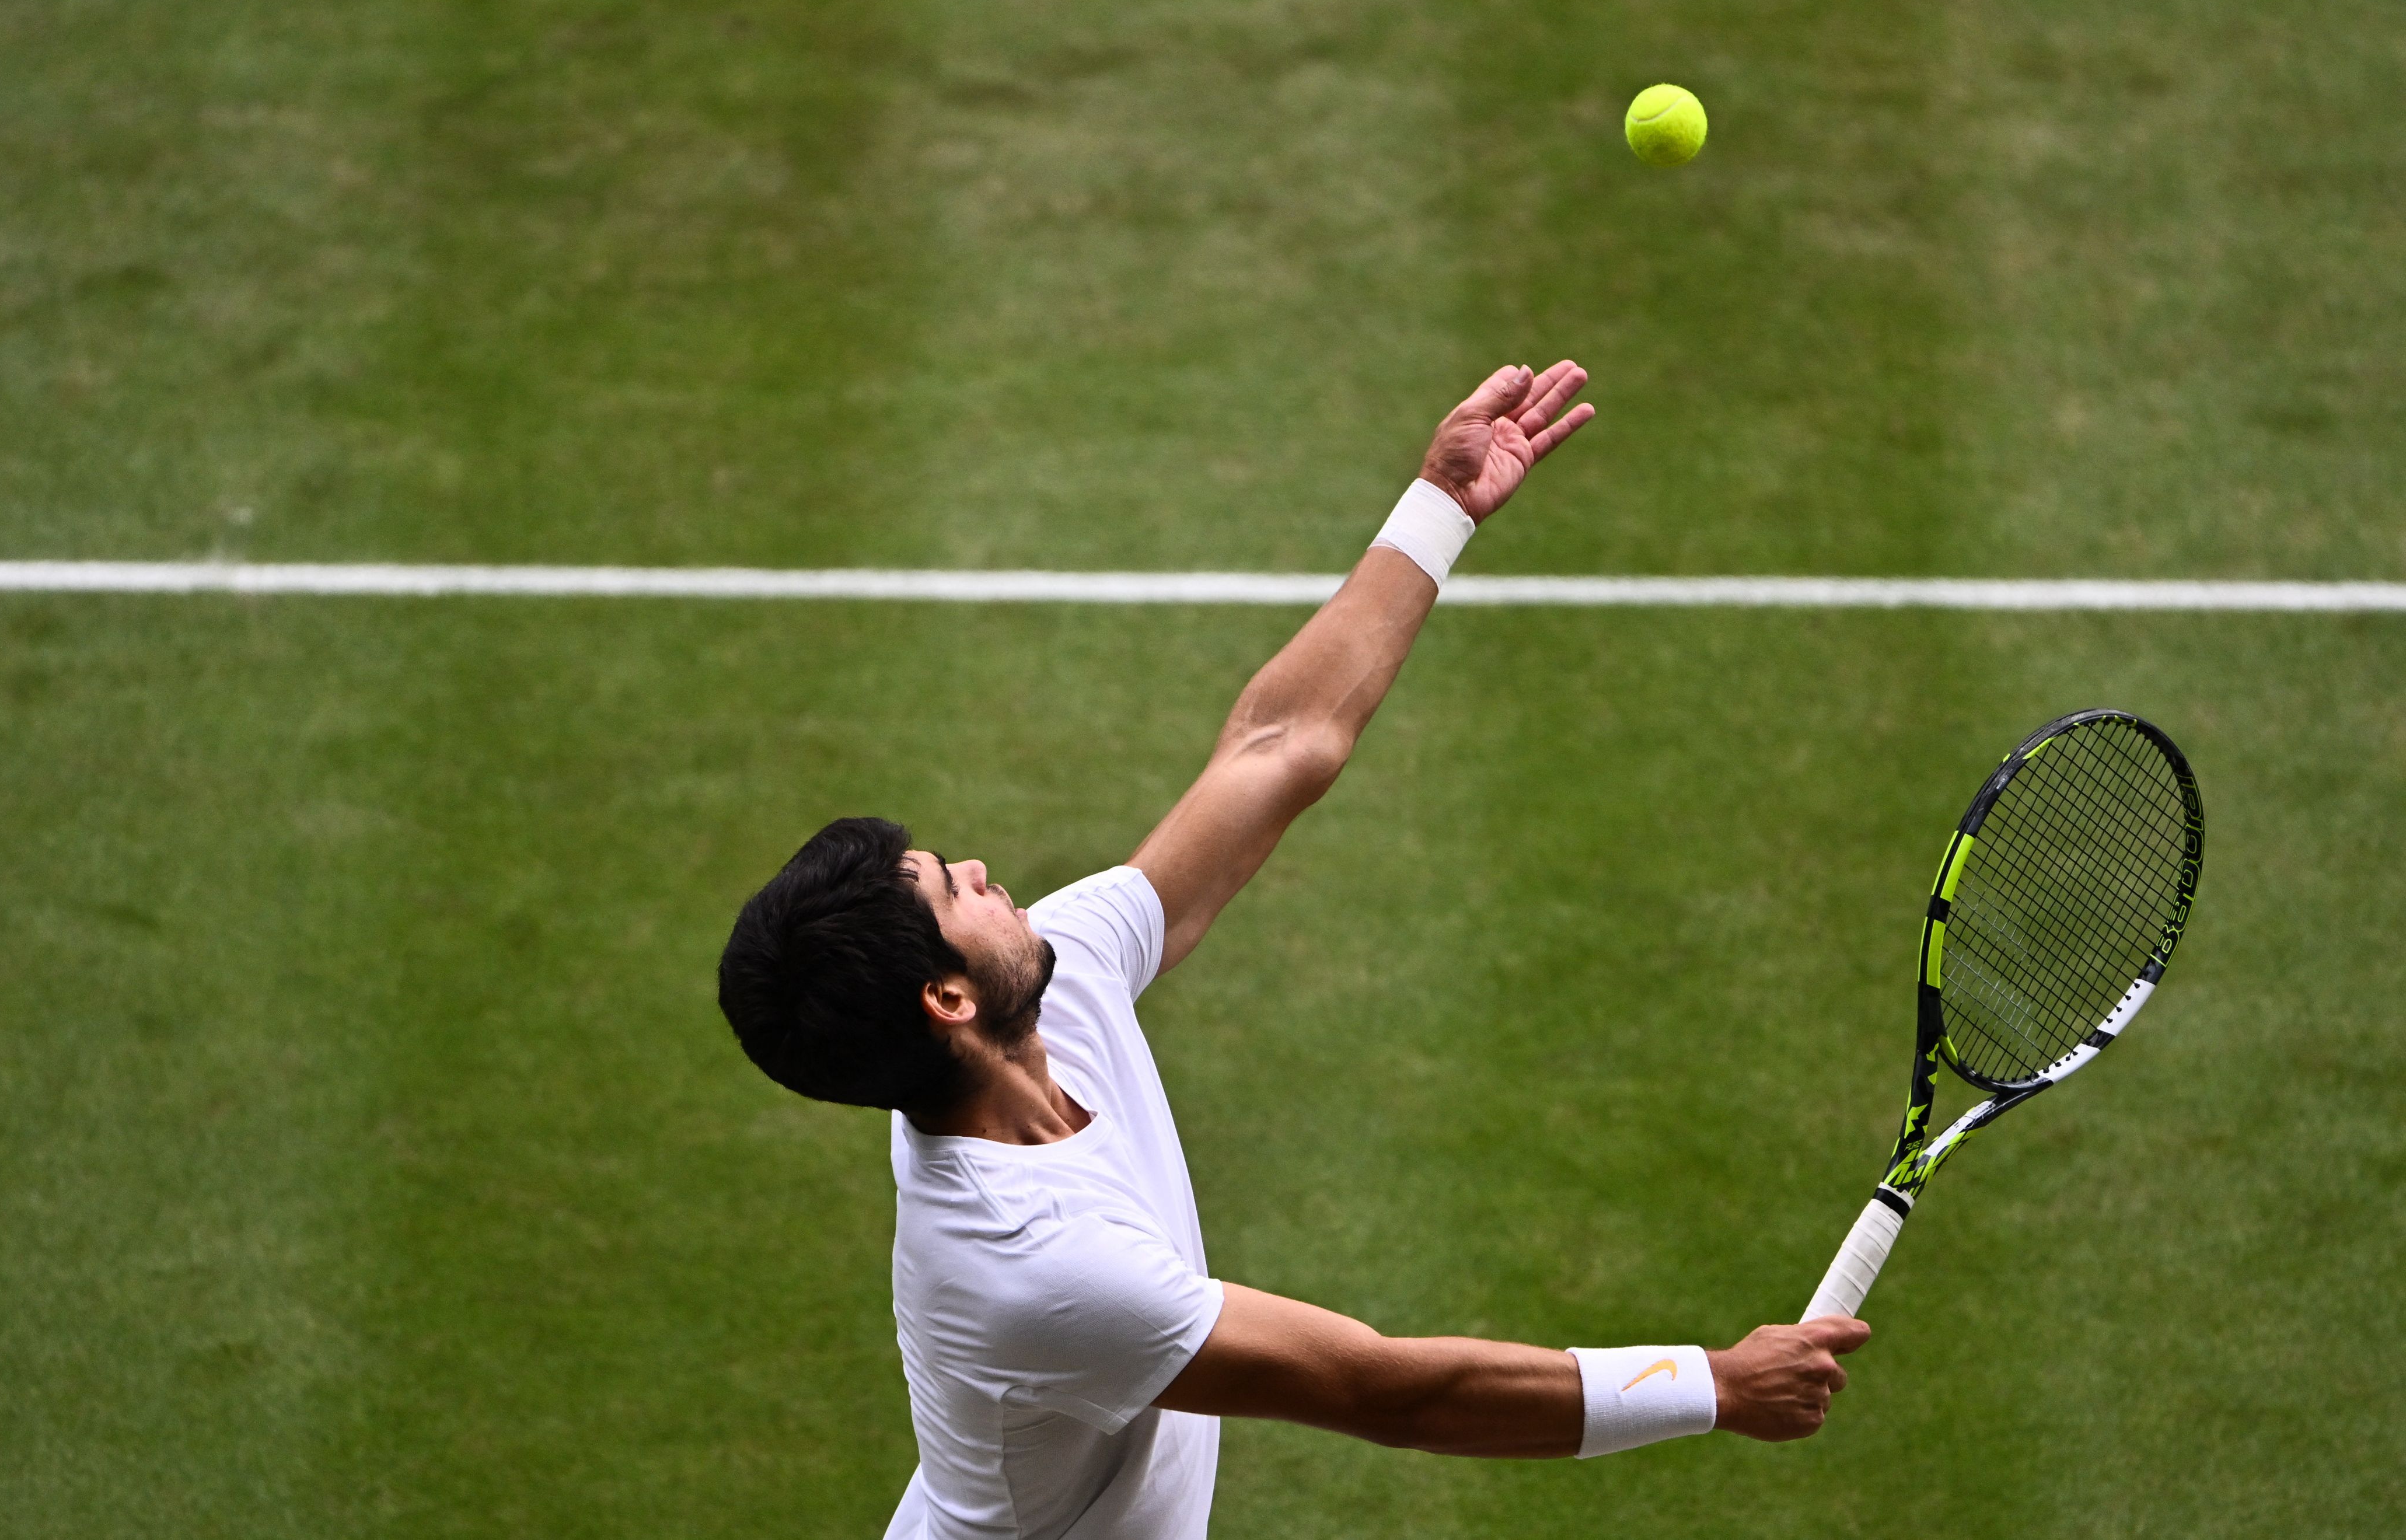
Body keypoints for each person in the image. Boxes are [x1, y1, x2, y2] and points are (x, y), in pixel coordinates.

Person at [718, 361, 1871, 1539]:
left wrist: (1437, 501)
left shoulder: (1046, 979)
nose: (975, 867)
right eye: (945, 885)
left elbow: (1275, 745)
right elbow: (1385, 1385)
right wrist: (1712, 1384)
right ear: (948, 996)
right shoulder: (1031, 1269)